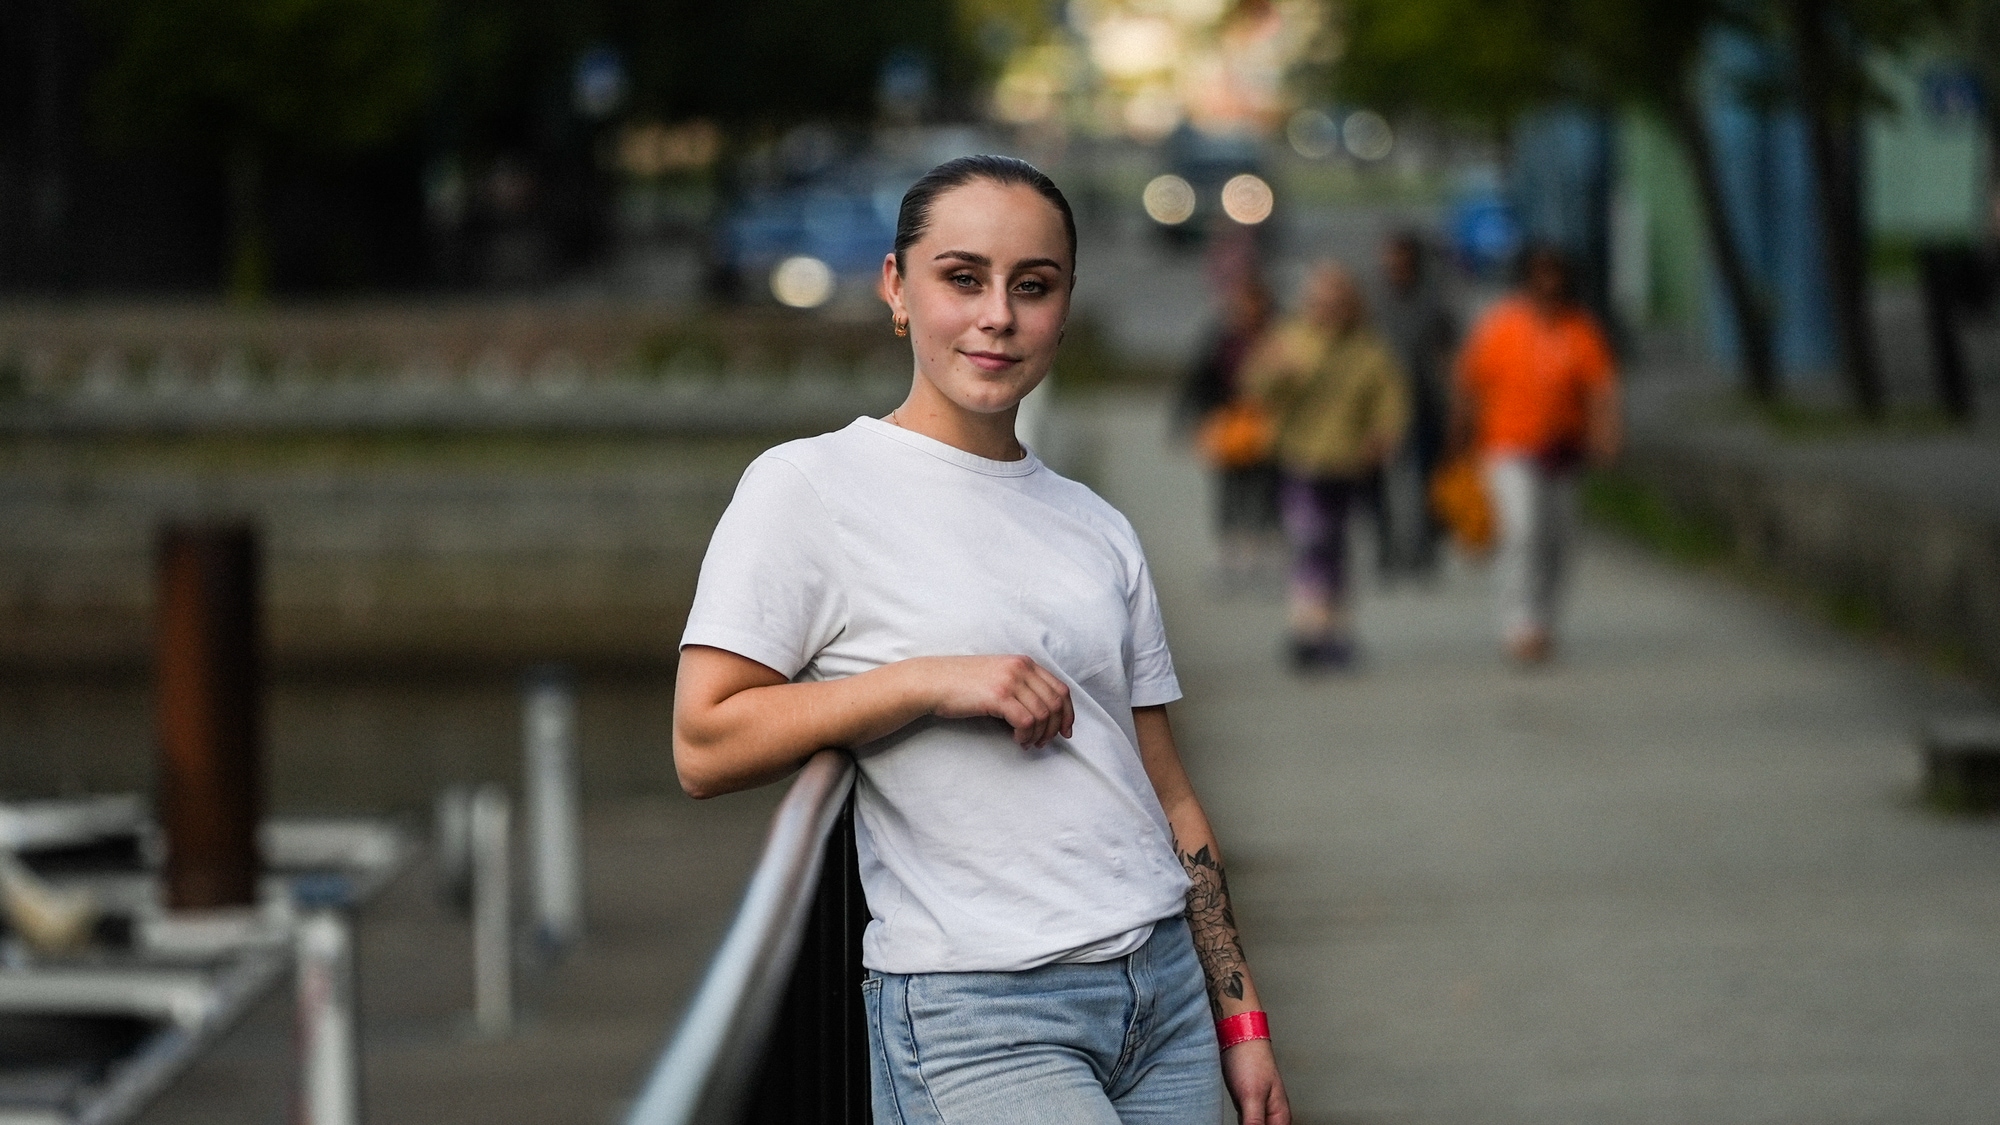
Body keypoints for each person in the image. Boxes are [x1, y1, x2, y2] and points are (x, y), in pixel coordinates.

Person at [673, 155, 1290, 1125]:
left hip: (1162, 992)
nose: (996, 314)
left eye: (1030, 287)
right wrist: (926, 683)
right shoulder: (810, 487)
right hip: (983, 1012)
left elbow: (1165, 790)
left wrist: (1240, 1022)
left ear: (1063, 305)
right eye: (962, 279)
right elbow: (702, 743)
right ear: (895, 288)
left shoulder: (1096, 525)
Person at [1452, 243, 1621, 664]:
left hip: (1562, 450)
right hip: (1507, 447)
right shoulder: (1501, 326)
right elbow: (1470, 384)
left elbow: (1600, 389)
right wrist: (1459, 439)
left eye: (1555, 275)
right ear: (1526, 279)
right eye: (1539, 275)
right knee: (1521, 532)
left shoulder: (1580, 329)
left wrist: (1607, 434)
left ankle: (1544, 617)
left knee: (1558, 540)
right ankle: (1519, 622)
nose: (1548, 284)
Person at [1243, 261, 1410, 670]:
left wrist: (1385, 434)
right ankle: (1308, 629)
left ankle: (1333, 628)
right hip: (1300, 458)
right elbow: (1254, 386)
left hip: (1347, 461)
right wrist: (1278, 371)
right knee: (1310, 541)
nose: (1327, 310)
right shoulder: (1291, 338)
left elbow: (1390, 399)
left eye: (1336, 302)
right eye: (1319, 302)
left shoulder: (1368, 349)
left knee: (1335, 546)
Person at [1174, 266, 1281, 584]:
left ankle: (1261, 549)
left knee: (1265, 488)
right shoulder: (1220, 338)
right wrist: (1189, 419)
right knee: (1228, 488)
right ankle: (1230, 550)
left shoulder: (1278, 335)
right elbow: (1198, 379)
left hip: (1267, 423)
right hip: (1228, 422)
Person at [1374, 230, 1458, 577]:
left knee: (1425, 477)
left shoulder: (1432, 301)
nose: (1395, 264)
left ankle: (1425, 546)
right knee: (1379, 480)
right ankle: (1387, 547)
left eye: (1402, 257)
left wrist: (1454, 402)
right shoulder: (1375, 300)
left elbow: (1447, 352)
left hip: (1424, 400)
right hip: (1380, 404)